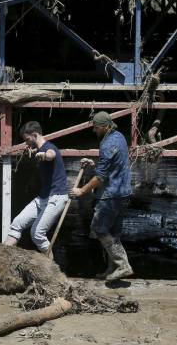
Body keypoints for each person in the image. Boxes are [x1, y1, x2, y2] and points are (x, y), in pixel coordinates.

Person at [71, 111, 134, 281]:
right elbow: (111, 165)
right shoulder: (119, 136)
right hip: (123, 192)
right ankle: (112, 269)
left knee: (99, 228)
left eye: (96, 127)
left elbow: (100, 177)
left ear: (105, 127)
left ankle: (122, 264)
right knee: (113, 233)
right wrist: (94, 165)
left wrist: (81, 191)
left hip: (111, 194)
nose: (94, 130)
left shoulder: (106, 145)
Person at [3, 121, 69, 257]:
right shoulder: (38, 149)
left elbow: (52, 154)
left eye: (27, 140)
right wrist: (35, 152)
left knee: (37, 234)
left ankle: (51, 267)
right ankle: (2, 256)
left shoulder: (49, 147)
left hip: (56, 197)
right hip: (43, 197)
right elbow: (38, 151)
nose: (26, 143)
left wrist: (44, 156)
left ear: (35, 135)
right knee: (17, 223)